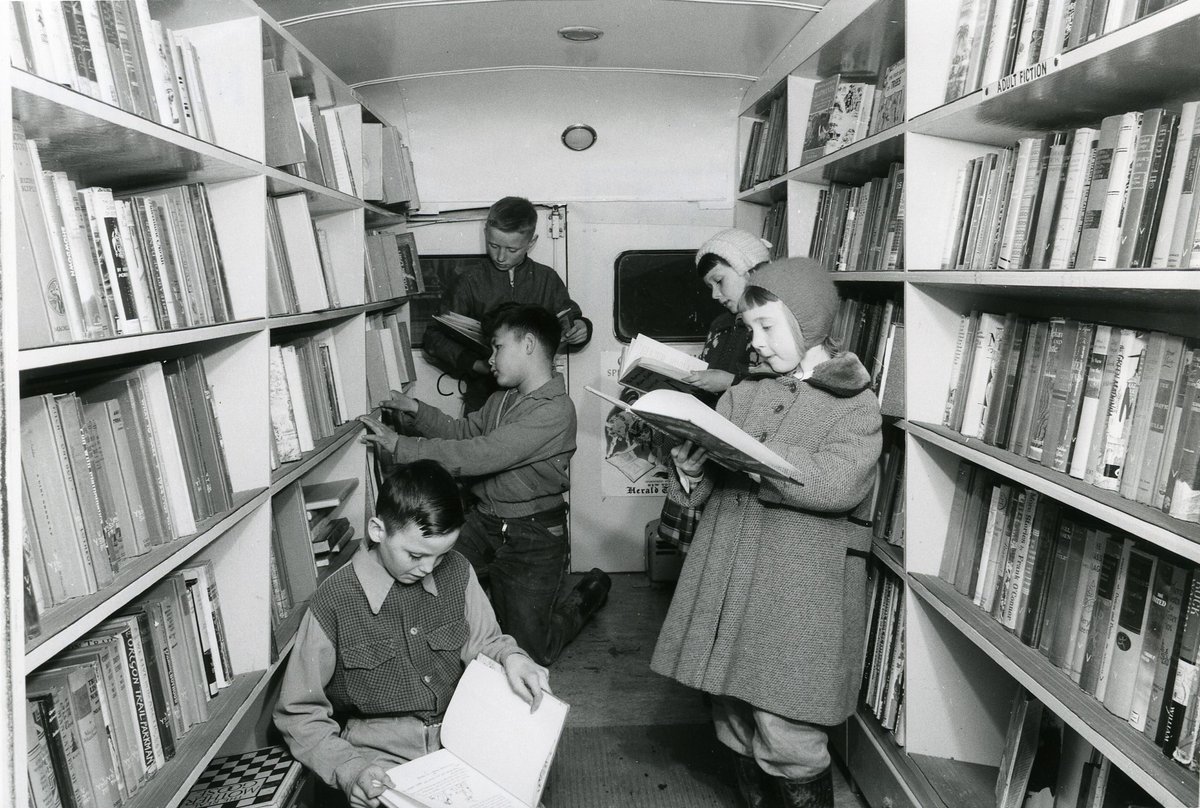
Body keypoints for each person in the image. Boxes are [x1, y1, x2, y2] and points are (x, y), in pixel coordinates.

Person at [650, 258, 882, 808]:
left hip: (797, 590)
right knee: (731, 715)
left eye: (767, 327)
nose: (754, 342)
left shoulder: (855, 403)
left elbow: (840, 483)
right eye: (750, 329)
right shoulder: (743, 394)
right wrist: (690, 470)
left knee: (787, 729)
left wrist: (756, 457)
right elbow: (701, 496)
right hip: (729, 576)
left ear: (808, 323)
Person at [273, 460, 549, 808]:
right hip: (378, 756)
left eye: (441, 554)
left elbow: (487, 643)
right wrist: (349, 769)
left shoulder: (458, 572)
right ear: (377, 530)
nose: (428, 568)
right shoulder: (335, 600)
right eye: (416, 555)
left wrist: (513, 658)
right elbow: (298, 711)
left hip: (463, 737)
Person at [360, 303, 610, 667]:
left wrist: (400, 447)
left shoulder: (555, 410)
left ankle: (586, 595)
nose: (490, 358)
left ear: (527, 344)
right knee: (423, 572)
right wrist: (416, 409)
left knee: (531, 652)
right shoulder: (503, 397)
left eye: (497, 347)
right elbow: (465, 432)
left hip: (534, 536)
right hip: (486, 522)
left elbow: (481, 453)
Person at [657, 227, 770, 552]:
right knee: (698, 551)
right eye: (709, 287)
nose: (715, 295)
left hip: (742, 448)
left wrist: (729, 383)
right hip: (707, 445)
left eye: (720, 281)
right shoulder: (721, 326)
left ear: (751, 269)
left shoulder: (771, 327)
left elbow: (777, 390)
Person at [423, 196, 592, 413]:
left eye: (512, 250)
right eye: (494, 245)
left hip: (536, 397)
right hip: (484, 397)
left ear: (531, 243)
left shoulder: (546, 279)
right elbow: (433, 338)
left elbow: (569, 318)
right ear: (486, 233)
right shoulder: (469, 281)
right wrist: (474, 364)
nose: (501, 257)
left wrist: (582, 328)